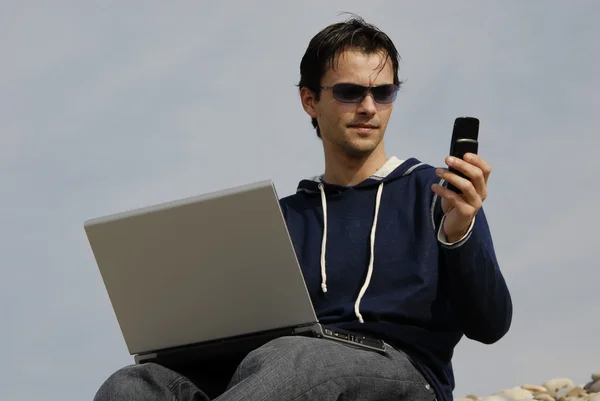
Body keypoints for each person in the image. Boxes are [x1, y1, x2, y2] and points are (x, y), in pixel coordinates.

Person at [93, 15, 512, 401]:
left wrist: (459, 233)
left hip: (403, 373)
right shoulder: (282, 220)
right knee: (134, 384)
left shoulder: (440, 194)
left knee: (298, 360)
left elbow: (491, 325)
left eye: (383, 92)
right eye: (350, 92)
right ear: (309, 101)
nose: (369, 107)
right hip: (281, 369)